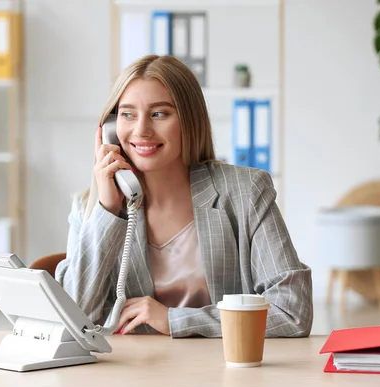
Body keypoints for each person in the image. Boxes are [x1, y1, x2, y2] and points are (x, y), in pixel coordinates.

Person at [54, 54, 313, 338]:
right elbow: (71, 322)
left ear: (190, 121)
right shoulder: (89, 208)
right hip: (133, 377)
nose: (141, 130)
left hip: (227, 374)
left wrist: (175, 320)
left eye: (159, 114)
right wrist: (108, 211)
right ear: (110, 131)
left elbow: (292, 311)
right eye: (128, 114)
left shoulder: (246, 191)